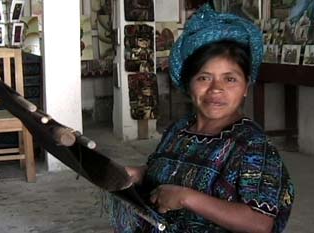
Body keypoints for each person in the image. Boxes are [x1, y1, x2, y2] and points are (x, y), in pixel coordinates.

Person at [109, 4, 294, 233]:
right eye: (204, 78)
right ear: (189, 84)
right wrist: (142, 173)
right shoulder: (179, 130)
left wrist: (188, 198)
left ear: (246, 85)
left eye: (230, 79)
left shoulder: (252, 146)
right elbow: (178, 170)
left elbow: (259, 223)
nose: (216, 89)